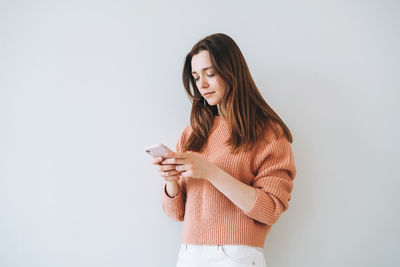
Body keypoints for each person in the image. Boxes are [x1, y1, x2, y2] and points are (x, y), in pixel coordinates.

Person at [152, 33, 297, 267]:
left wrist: (210, 171)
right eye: (196, 77)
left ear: (232, 71)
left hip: (235, 255)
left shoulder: (268, 133)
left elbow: (270, 209)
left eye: (210, 74)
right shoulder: (192, 133)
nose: (202, 85)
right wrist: (170, 182)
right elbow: (176, 214)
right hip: (189, 254)